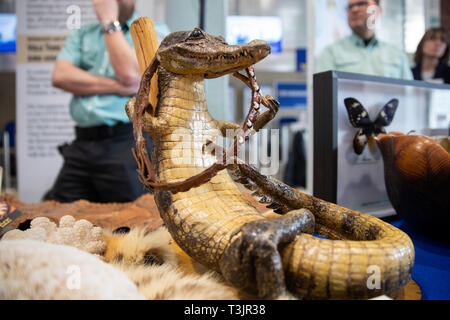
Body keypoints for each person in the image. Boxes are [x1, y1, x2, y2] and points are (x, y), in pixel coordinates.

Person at [50, 0, 168, 203]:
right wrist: (117, 87)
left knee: (132, 220)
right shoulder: (83, 34)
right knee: (64, 216)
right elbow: (60, 76)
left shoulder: (152, 30)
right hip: (82, 144)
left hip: (127, 141)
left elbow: (131, 77)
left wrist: (109, 22)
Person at [316, 0, 413, 80]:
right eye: (350, 7)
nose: (354, 10)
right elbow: (321, 92)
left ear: (377, 10)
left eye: (361, 3)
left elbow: (409, 94)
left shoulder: (397, 54)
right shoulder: (331, 53)